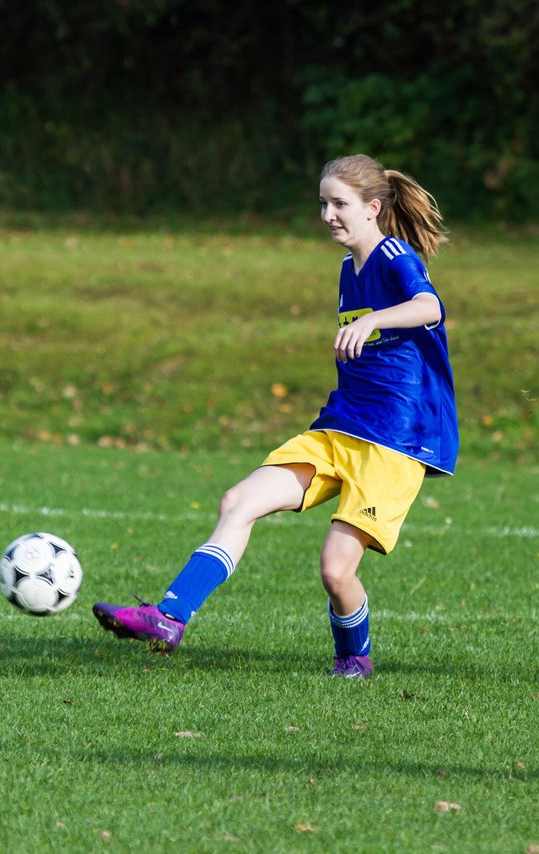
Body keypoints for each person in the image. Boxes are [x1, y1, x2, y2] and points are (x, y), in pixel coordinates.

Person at [92, 154, 457, 679]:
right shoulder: (346, 270)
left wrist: (375, 319)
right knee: (238, 500)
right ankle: (169, 617)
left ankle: (354, 657)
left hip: (397, 438)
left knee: (336, 572)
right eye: (323, 204)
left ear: (373, 208)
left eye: (340, 204)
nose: (328, 214)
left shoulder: (395, 256)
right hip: (342, 424)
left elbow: (430, 308)